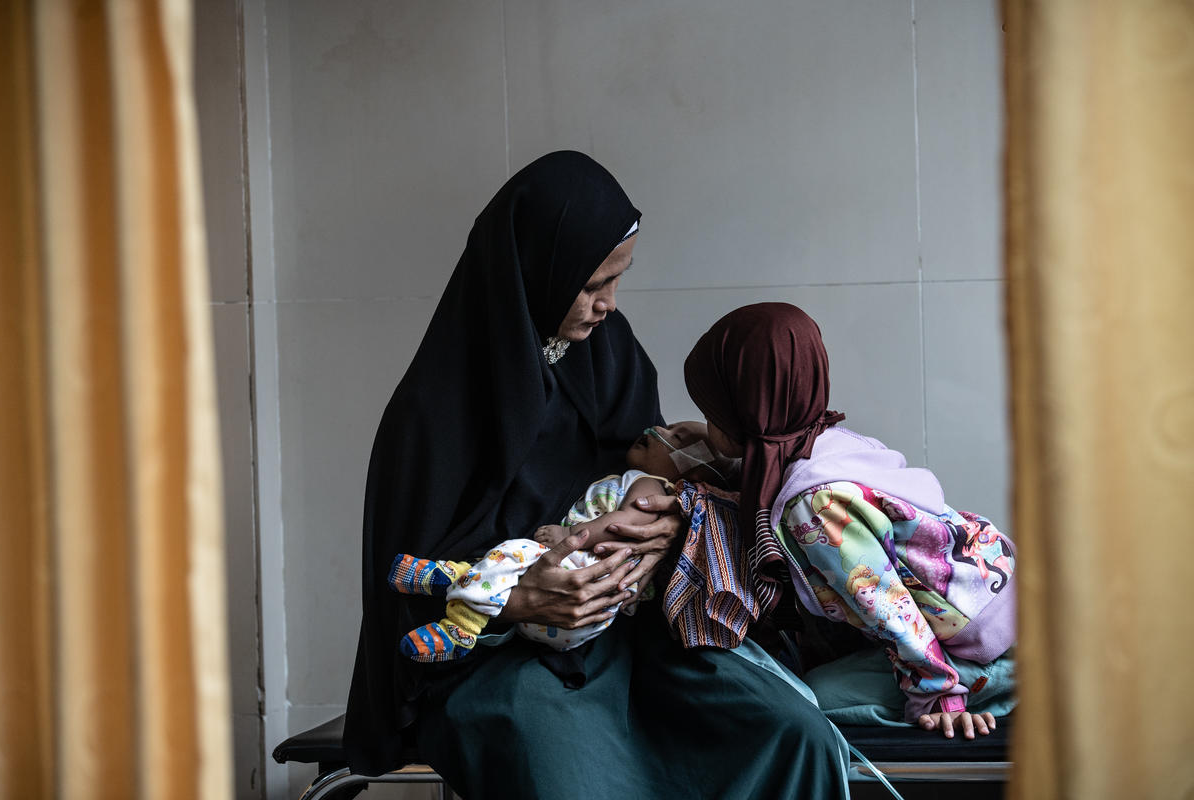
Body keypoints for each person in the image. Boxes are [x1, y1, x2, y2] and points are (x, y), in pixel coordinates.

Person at [343, 153, 849, 798]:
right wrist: (516, 599)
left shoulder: (611, 356)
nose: (608, 305)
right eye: (590, 286)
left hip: (636, 634)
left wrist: (666, 527)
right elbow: (399, 581)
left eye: (617, 280)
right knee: (572, 774)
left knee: (789, 732)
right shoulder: (432, 412)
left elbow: (654, 477)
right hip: (500, 657)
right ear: (535, 274)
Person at [683, 302, 1016, 741]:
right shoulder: (829, 443)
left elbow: (889, 610)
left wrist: (940, 697)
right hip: (999, 593)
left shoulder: (812, 505)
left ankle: (1001, 683)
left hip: (980, 644)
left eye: (713, 412)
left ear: (742, 414)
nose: (707, 424)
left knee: (805, 696)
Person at [388, 421, 735, 662]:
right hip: (578, 628)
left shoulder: (651, 485)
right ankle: (463, 586)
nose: (659, 429)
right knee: (512, 576)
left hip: (584, 569)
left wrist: (570, 535)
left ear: (692, 472)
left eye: (676, 437)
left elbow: (624, 523)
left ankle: (460, 616)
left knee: (515, 552)